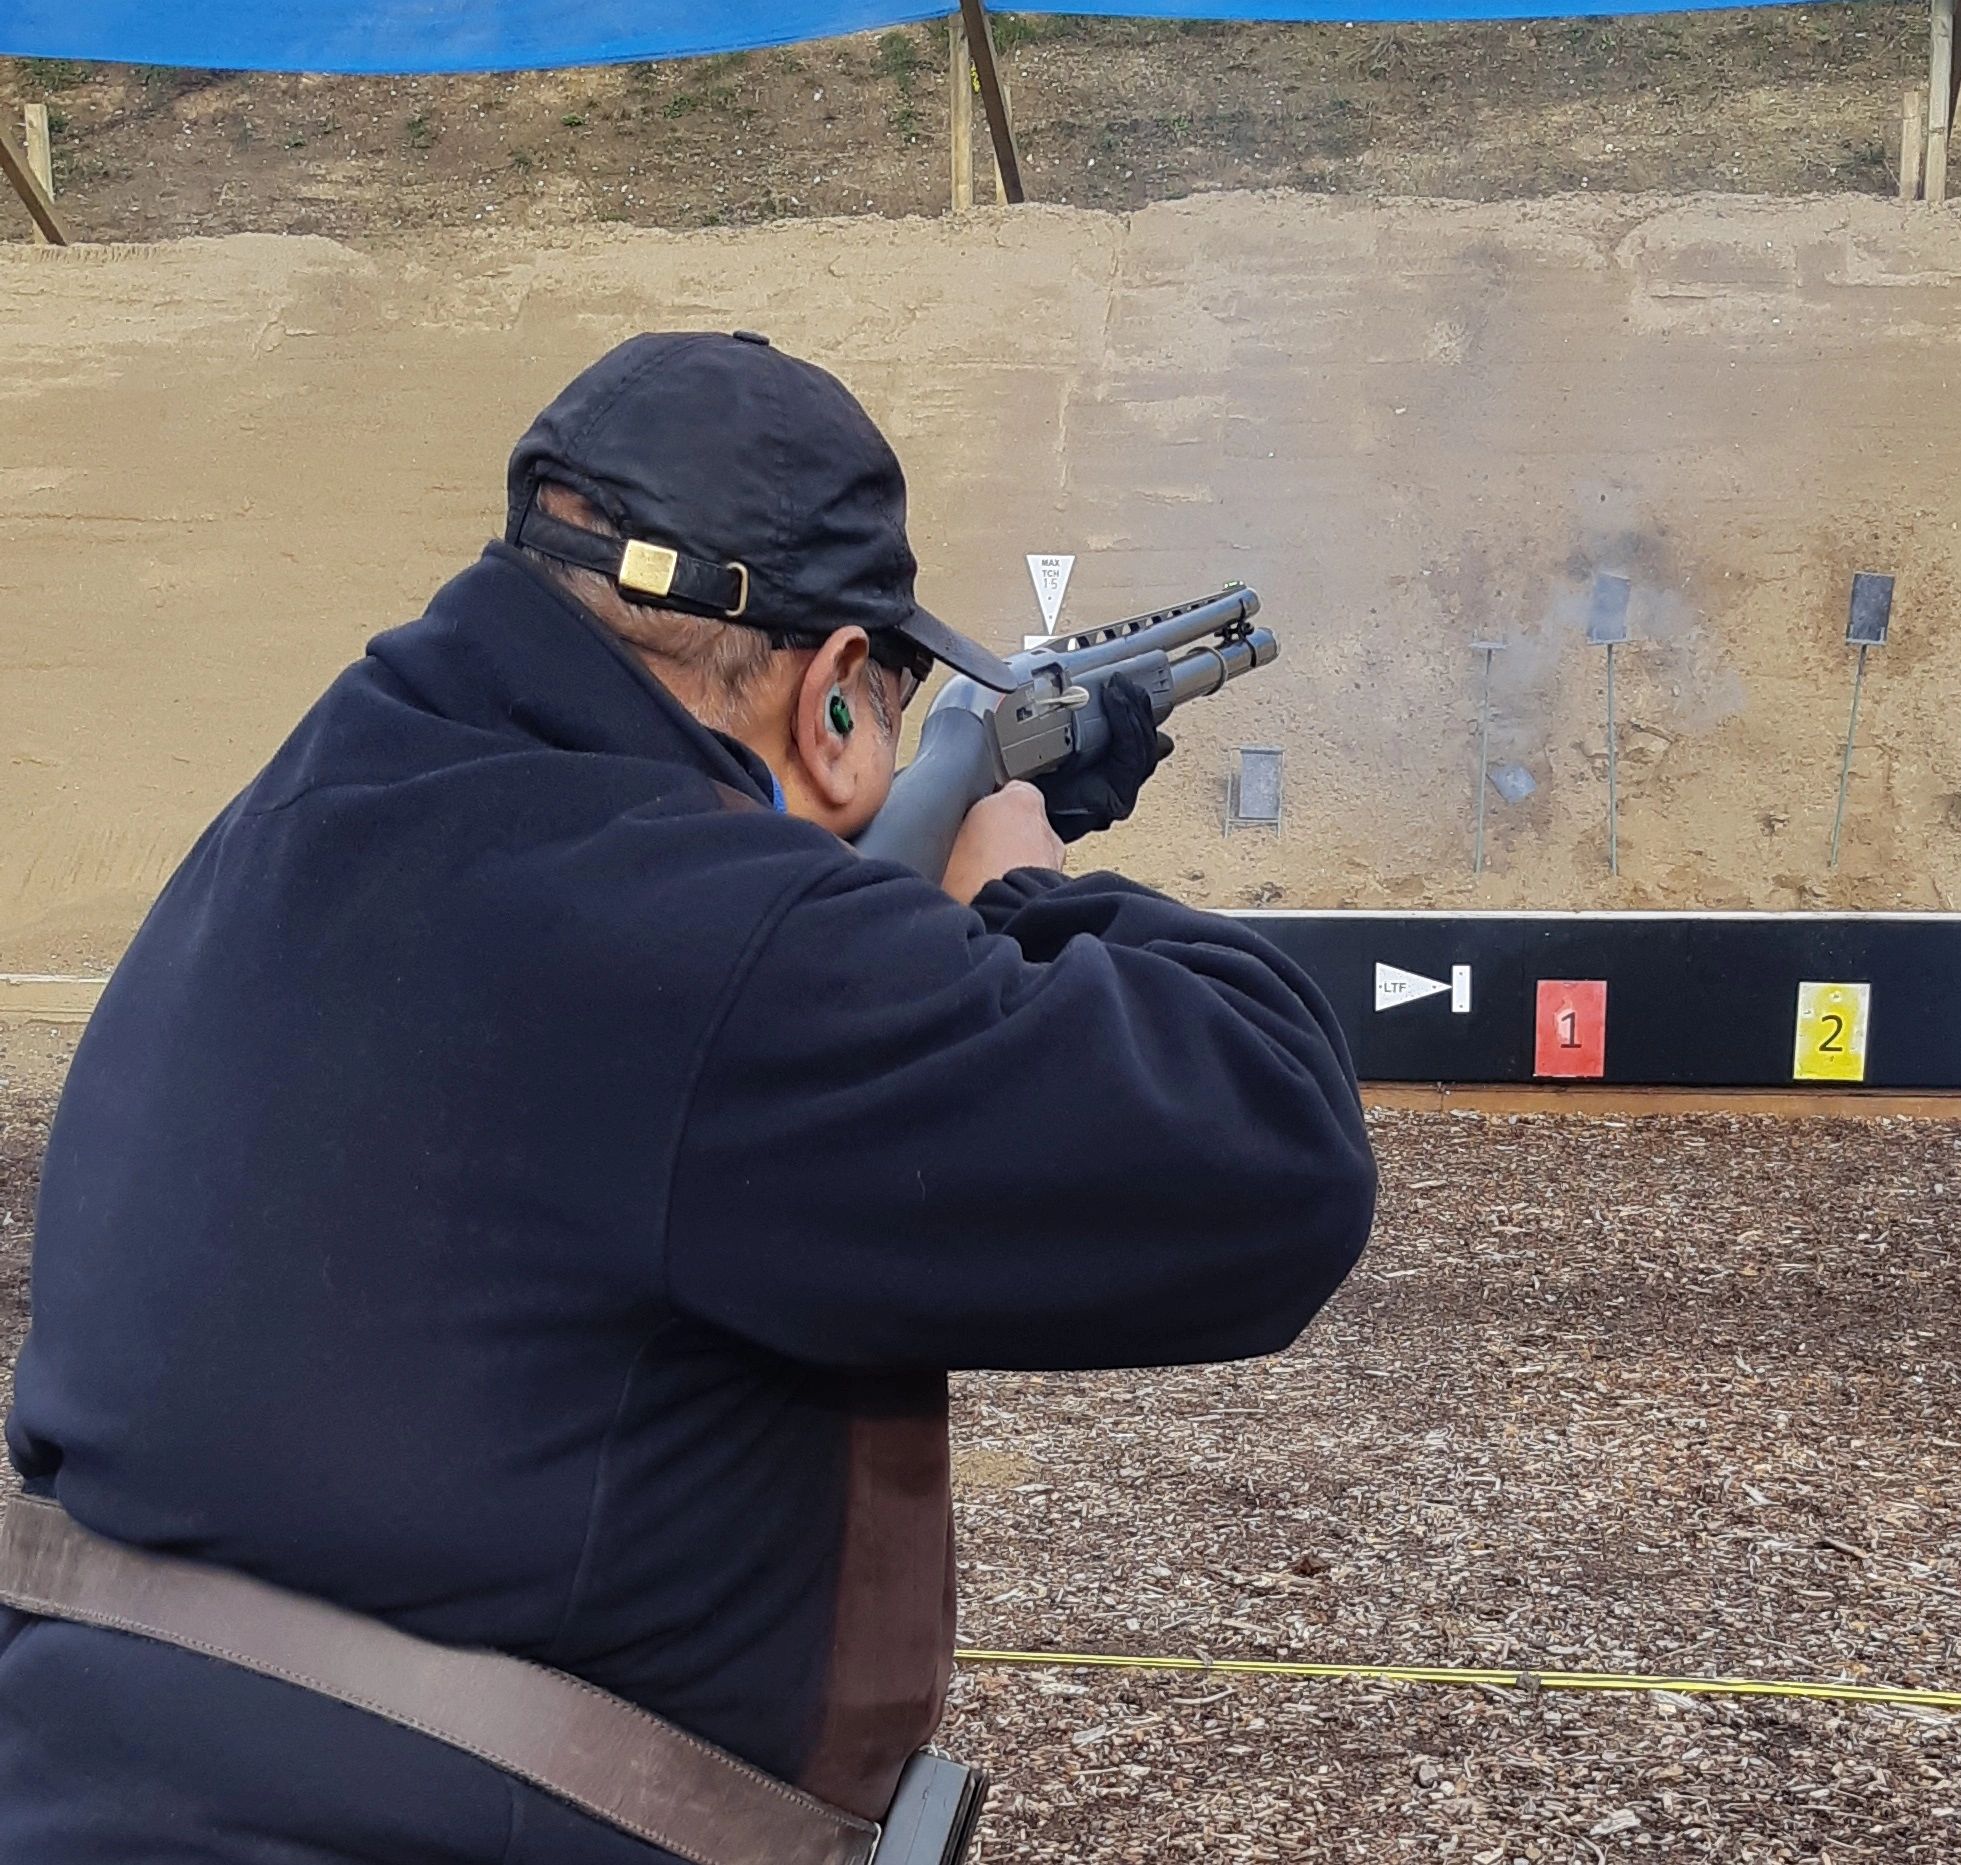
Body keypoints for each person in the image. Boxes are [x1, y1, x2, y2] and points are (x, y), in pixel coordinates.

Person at [0, 332, 1375, 1861]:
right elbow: (1272, 1152)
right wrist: (1022, 877)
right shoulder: (709, 939)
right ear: (839, 688)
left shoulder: (300, 815)